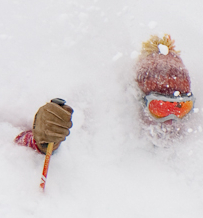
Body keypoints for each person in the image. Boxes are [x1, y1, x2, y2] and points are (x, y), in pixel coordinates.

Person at [15, 34, 193, 152]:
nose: (171, 121)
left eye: (181, 108)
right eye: (160, 107)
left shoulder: (191, 141)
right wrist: (42, 142)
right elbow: (14, 149)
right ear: (138, 102)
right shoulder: (105, 128)